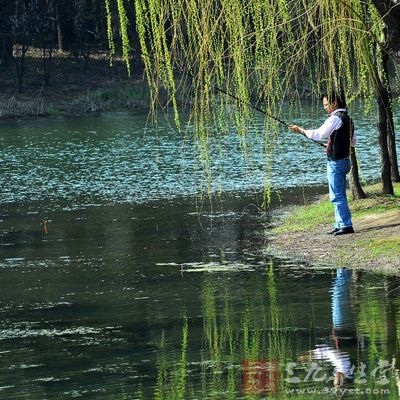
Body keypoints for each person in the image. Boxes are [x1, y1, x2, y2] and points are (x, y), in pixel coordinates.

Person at [288, 92, 355, 236]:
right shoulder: (348, 119)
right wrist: (331, 145)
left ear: (335, 103)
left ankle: (345, 225)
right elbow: (352, 142)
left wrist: (301, 130)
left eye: (326, 104)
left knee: (336, 195)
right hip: (345, 161)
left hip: (336, 162)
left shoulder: (335, 119)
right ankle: (339, 224)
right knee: (339, 193)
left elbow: (319, 134)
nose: (325, 108)